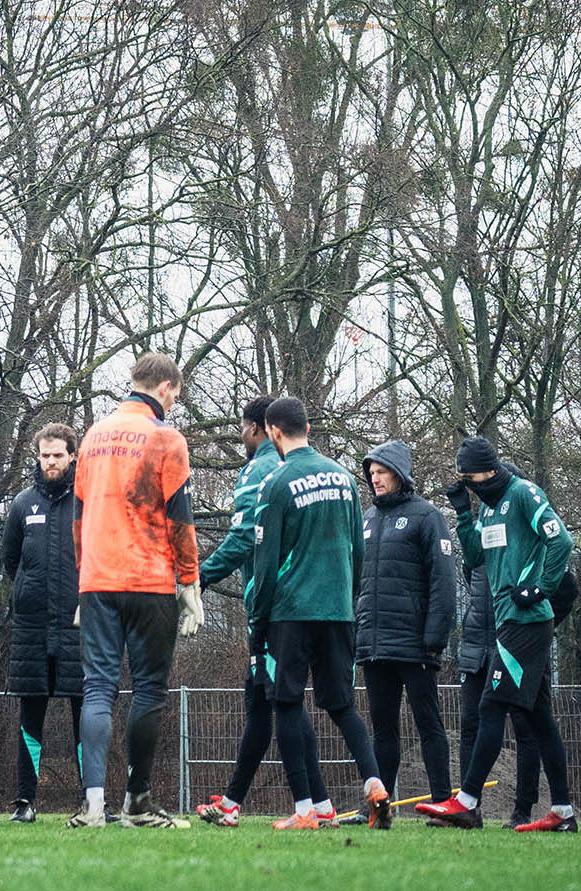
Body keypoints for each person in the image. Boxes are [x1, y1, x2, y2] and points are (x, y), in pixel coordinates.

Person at [416, 436, 576, 831]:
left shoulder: (523, 494)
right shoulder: (487, 509)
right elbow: (474, 558)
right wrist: (463, 513)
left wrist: (540, 587)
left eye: (471, 478)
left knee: (490, 707)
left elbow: (562, 540)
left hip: (527, 622)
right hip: (508, 621)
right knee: (540, 720)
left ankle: (466, 802)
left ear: (488, 470)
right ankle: (564, 813)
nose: (470, 485)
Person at [70, 352, 202, 828]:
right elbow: (180, 517)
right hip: (150, 578)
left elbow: (79, 515)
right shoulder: (166, 437)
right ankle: (137, 802)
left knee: (98, 689)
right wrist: (190, 581)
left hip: (98, 581)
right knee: (149, 687)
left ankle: (92, 806)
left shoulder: (93, 434)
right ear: (166, 388)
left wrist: (83, 577)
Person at [193, 396, 335, 827]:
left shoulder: (259, 470)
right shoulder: (311, 471)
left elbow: (241, 540)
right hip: (306, 603)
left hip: (272, 605)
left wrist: (198, 576)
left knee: (273, 703)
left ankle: (302, 809)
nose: (241, 436)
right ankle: (313, 806)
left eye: (242, 428)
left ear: (259, 428)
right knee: (269, 701)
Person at [250, 396, 391, 830]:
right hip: (338, 611)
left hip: (291, 612)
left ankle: (306, 810)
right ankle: (375, 784)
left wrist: (258, 616)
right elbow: (359, 549)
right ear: (308, 428)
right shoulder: (346, 479)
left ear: (273, 432)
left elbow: (266, 561)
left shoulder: (275, 482)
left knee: (286, 703)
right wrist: (347, 598)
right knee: (342, 704)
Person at [355, 439, 457, 808]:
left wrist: (435, 637)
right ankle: (379, 806)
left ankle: (445, 803)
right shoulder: (365, 519)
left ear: (399, 474)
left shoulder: (427, 516)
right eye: (372, 474)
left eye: (381, 472)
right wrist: (358, 633)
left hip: (416, 645)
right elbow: (356, 583)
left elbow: (444, 581)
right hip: (374, 646)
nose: (375, 479)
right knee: (382, 730)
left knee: (429, 724)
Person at [1, 422, 84, 823]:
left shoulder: (87, 502)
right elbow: (10, 561)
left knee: (85, 714)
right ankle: (25, 803)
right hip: (32, 629)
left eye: (58, 455)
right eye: (45, 455)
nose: (51, 461)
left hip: (79, 625)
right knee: (30, 716)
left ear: (72, 456)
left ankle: (93, 800)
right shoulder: (21, 504)